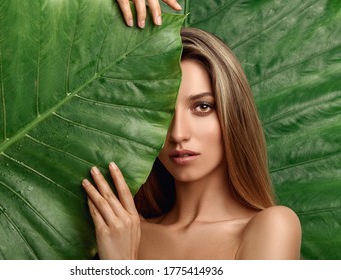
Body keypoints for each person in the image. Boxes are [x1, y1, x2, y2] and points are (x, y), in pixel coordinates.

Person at [81, 3, 302, 260]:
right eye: (163, 111)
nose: (178, 133)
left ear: (233, 114)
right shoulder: (121, 230)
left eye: (202, 107)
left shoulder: (271, 227)